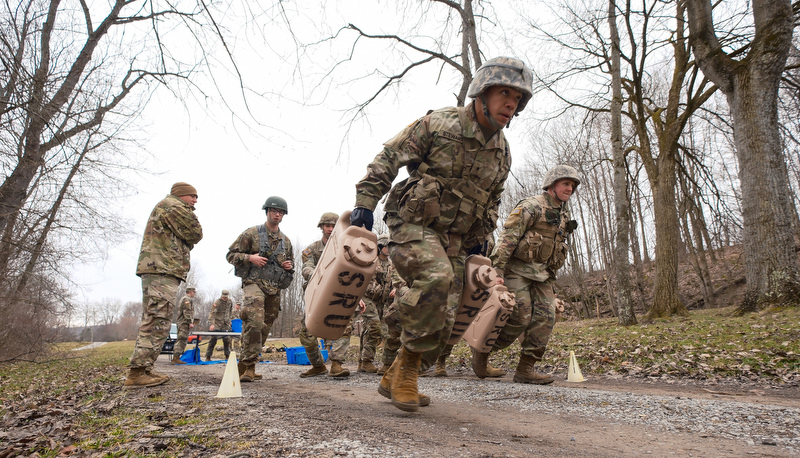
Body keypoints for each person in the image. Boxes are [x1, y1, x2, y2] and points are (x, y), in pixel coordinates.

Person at [350, 56, 533, 412]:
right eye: (505, 92)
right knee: (435, 280)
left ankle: (399, 372)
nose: (512, 103)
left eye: (518, 98)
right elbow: (389, 156)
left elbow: (492, 199)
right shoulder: (440, 122)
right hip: (411, 223)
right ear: (482, 92)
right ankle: (405, 377)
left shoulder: (502, 151)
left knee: (448, 319)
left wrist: (483, 235)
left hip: (455, 238)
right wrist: (365, 203)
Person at [477, 165, 580, 384]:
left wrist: (552, 277)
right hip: (517, 271)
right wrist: (497, 271)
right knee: (519, 317)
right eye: (566, 184)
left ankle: (526, 368)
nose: (570, 189)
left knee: (546, 317)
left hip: (542, 275)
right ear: (551, 185)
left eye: (572, 185)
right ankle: (482, 353)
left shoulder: (562, 214)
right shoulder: (531, 207)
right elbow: (508, 239)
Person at [124, 182, 203, 388]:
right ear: (181, 195)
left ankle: (145, 367)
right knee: (157, 319)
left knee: (158, 317)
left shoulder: (168, 207)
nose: (195, 201)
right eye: (192, 196)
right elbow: (196, 233)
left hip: (159, 269)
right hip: (161, 269)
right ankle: (137, 372)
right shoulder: (174, 206)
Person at [226, 196, 295, 382]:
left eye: (280, 212)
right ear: (267, 211)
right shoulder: (252, 234)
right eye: (274, 211)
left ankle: (249, 365)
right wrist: (250, 258)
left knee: (264, 327)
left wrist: (288, 266)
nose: (277, 214)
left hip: (274, 287)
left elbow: (291, 264)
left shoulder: (286, 241)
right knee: (254, 321)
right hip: (254, 283)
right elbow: (230, 255)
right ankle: (247, 365)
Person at [296, 212, 362, 378]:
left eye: (333, 226)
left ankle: (337, 365)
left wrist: (358, 297)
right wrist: (321, 277)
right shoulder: (311, 250)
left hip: (342, 295)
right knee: (306, 334)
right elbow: (306, 269)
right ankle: (318, 366)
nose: (330, 229)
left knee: (344, 327)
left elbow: (356, 274)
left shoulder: (346, 247)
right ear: (321, 227)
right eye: (327, 226)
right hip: (317, 296)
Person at [356, 234, 394, 373]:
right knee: (374, 327)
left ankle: (363, 362)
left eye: (390, 246)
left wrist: (395, 289)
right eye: (385, 245)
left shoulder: (391, 265)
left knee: (371, 330)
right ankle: (366, 361)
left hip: (382, 302)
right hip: (368, 299)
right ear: (379, 247)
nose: (387, 248)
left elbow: (395, 280)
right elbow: (362, 279)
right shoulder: (371, 260)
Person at [205, 289, 234, 361]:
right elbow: (212, 313)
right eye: (223, 297)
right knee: (213, 339)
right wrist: (212, 324)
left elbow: (230, 311)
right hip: (217, 323)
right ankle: (208, 356)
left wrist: (230, 320)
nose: (225, 298)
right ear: (221, 296)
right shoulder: (217, 302)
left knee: (227, 339)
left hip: (225, 323)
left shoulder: (230, 302)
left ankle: (227, 355)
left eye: (226, 297)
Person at [171, 286, 197, 365]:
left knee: (182, 339)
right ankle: (176, 357)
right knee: (181, 339)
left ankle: (177, 357)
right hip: (184, 323)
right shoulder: (187, 300)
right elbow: (187, 312)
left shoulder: (185, 299)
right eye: (194, 292)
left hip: (182, 322)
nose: (195, 294)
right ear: (191, 292)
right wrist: (190, 322)